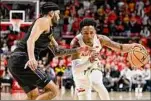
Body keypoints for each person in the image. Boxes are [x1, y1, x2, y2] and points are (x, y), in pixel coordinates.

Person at [7, 2, 91, 100]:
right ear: (51, 13)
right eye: (58, 14)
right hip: (23, 59)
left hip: (15, 62)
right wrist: (32, 58)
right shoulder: (44, 20)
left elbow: (57, 52)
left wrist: (78, 50)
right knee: (53, 91)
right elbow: (30, 40)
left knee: (32, 95)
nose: (59, 17)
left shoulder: (48, 31)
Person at [70, 18, 141, 100]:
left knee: (96, 83)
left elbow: (120, 47)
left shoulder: (101, 39)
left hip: (94, 65)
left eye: (91, 33)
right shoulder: (75, 43)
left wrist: (134, 45)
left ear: (95, 32)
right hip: (80, 69)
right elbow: (76, 69)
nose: (89, 36)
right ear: (81, 32)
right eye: (86, 33)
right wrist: (89, 61)